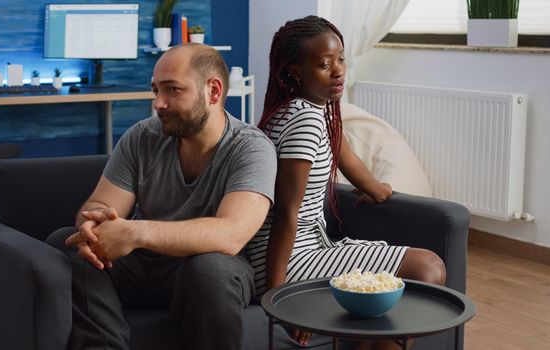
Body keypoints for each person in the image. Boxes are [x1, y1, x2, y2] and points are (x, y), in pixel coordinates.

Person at [46, 44, 277, 350]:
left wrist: (136, 232)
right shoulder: (142, 136)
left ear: (214, 91)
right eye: (155, 90)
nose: (159, 103)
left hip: (204, 269)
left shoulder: (251, 148)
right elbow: (99, 205)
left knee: (212, 269)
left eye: (172, 90)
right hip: (141, 268)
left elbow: (231, 233)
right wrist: (93, 226)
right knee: (69, 243)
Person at [246, 16, 446, 349]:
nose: (338, 70)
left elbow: (345, 155)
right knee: (428, 269)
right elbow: (285, 213)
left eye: (341, 59)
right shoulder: (306, 120)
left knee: (421, 271)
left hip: (306, 248)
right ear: (295, 71)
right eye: (325, 64)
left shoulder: (305, 110)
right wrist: (278, 297)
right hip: (287, 259)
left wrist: (379, 190)